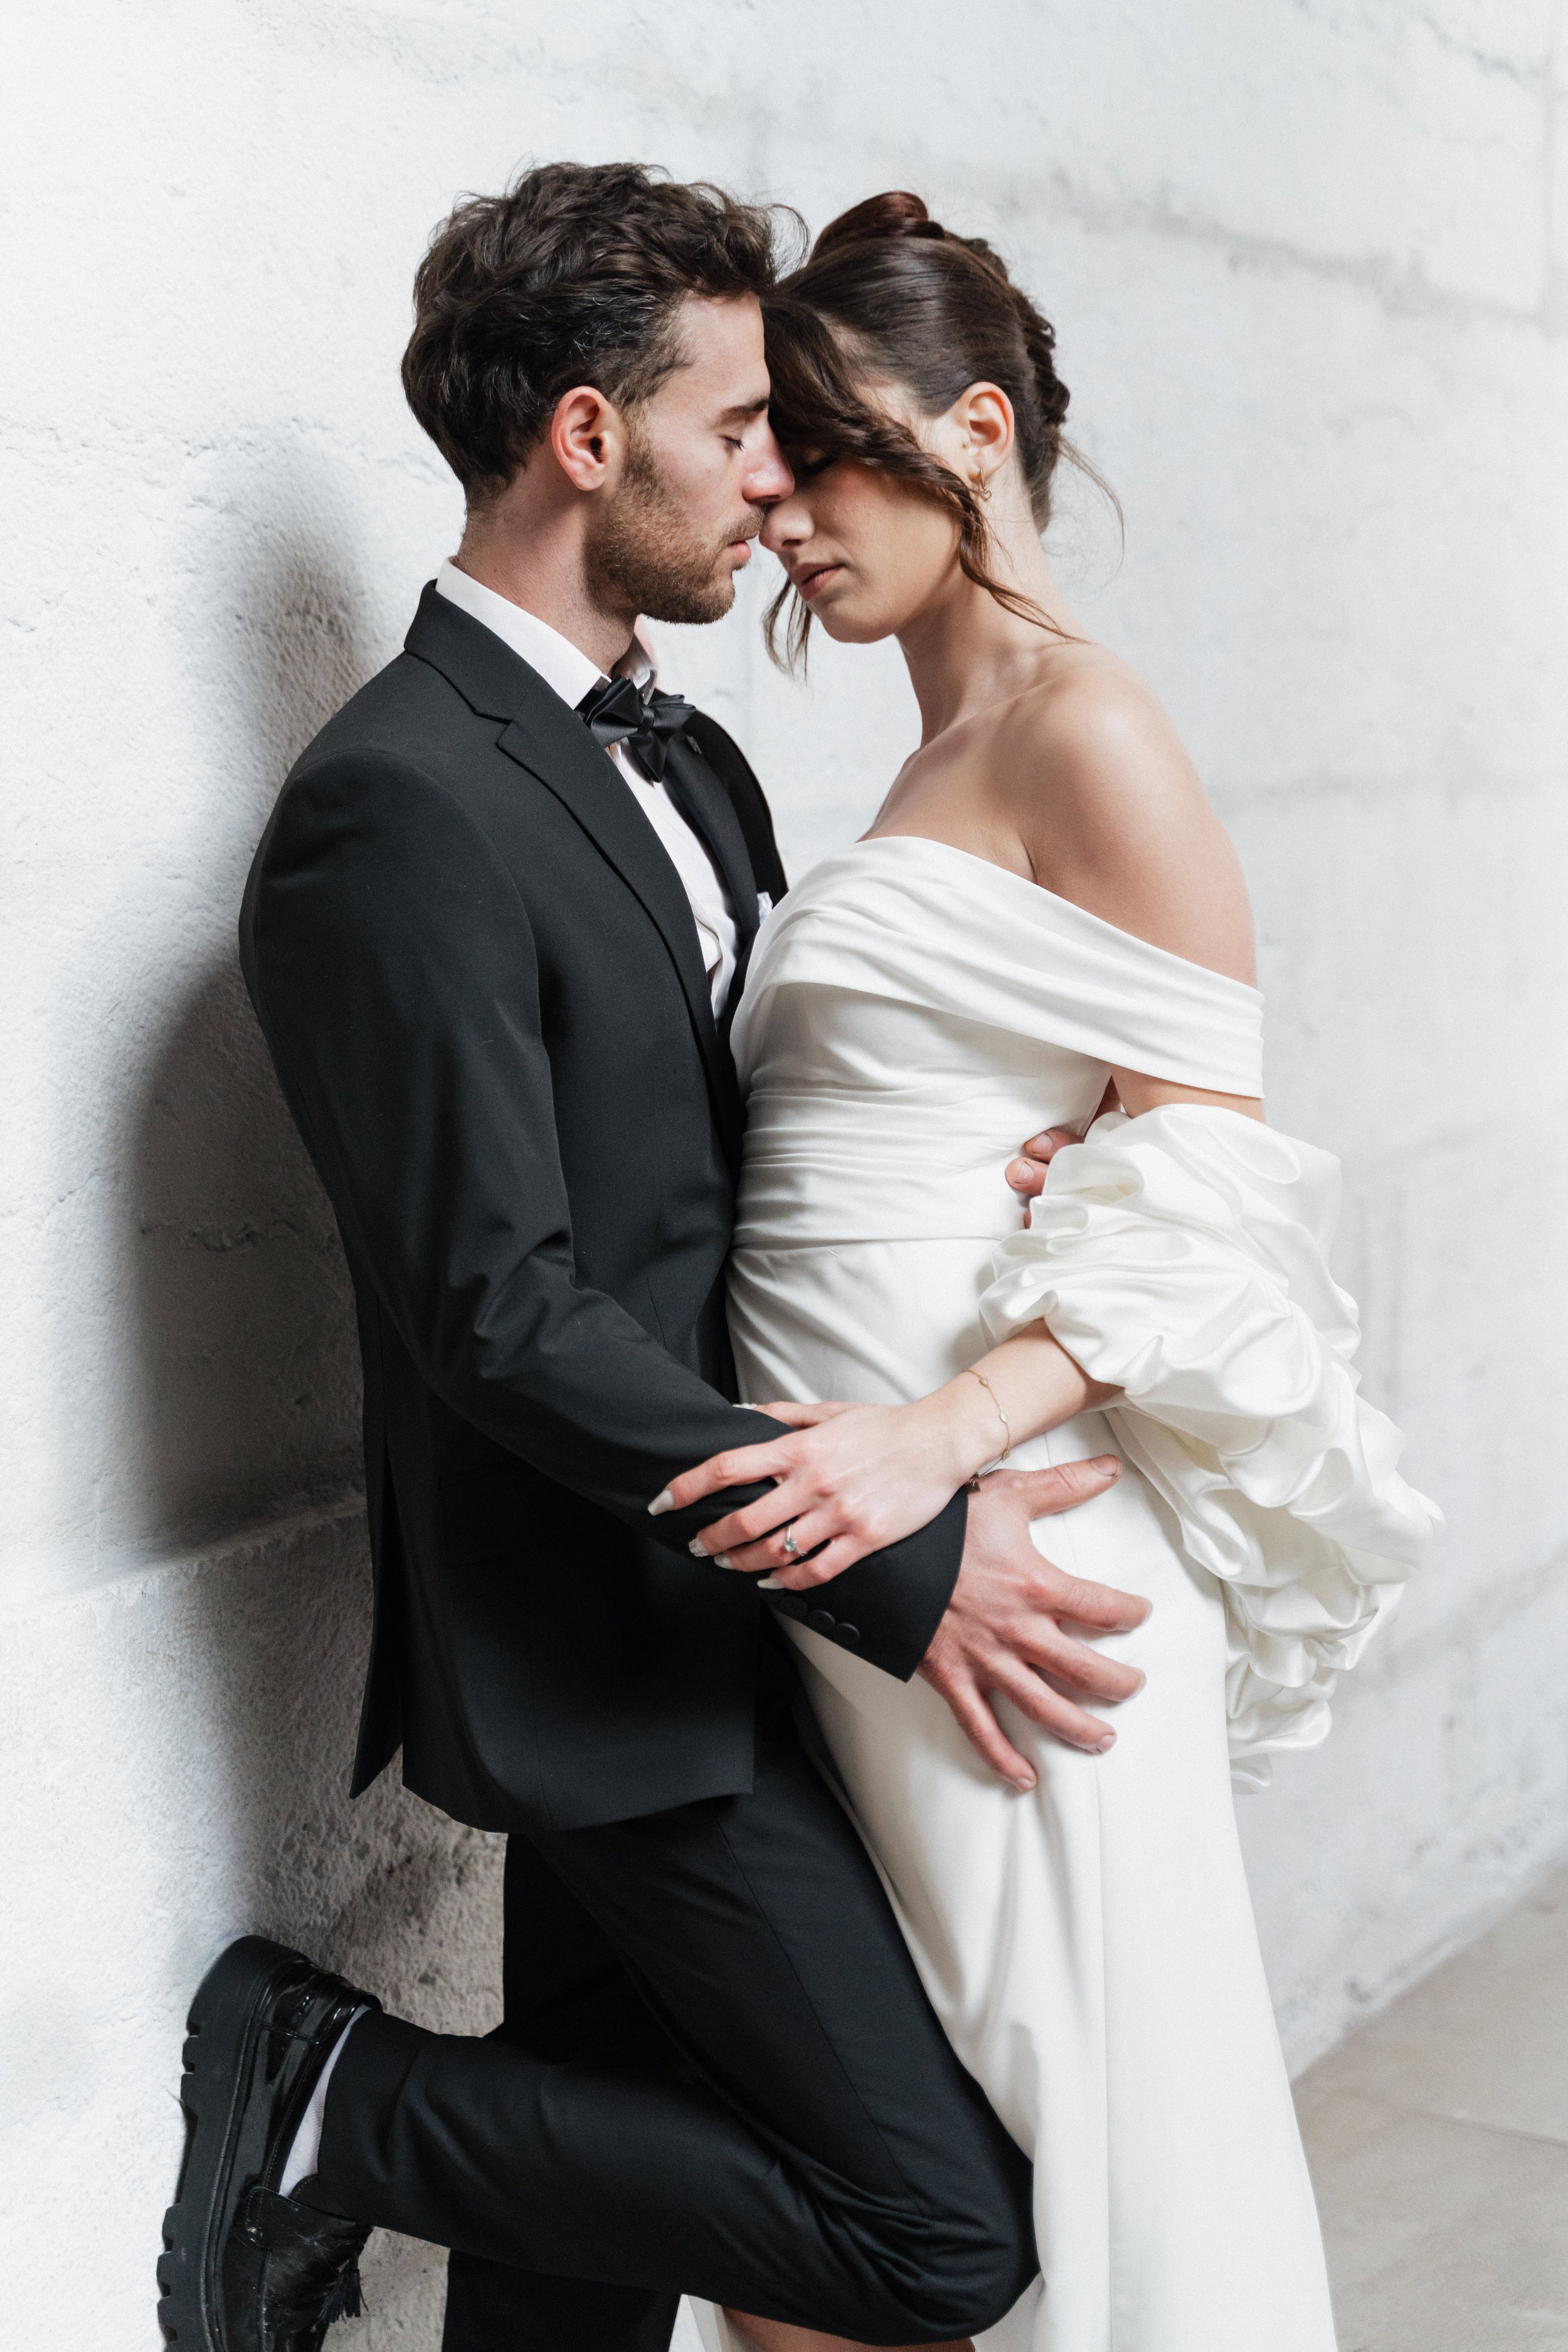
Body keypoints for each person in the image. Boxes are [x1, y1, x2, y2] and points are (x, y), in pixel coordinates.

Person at [157, 164, 1155, 2352]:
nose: (775, 481)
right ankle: (334, 2098)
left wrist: (994, 1177)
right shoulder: (393, 804)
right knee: (937, 2235)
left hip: (733, 1605)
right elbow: (496, 1310)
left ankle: (375, 2137)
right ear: (586, 439)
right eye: (737, 428)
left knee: (577, 2268)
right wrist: (900, 1553)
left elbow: (735, 1155)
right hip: (611, 1642)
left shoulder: (688, 758)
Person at [664, 193, 1440, 2352]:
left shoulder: (1082, 727)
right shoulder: (926, 759)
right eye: (762, 456)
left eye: (823, 453)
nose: (776, 508)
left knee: (1074, 2151)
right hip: (857, 1562)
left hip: (992, 1553)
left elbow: (1219, 1182)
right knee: (854, 2170)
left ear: (975, 431)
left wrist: (937, 1439)